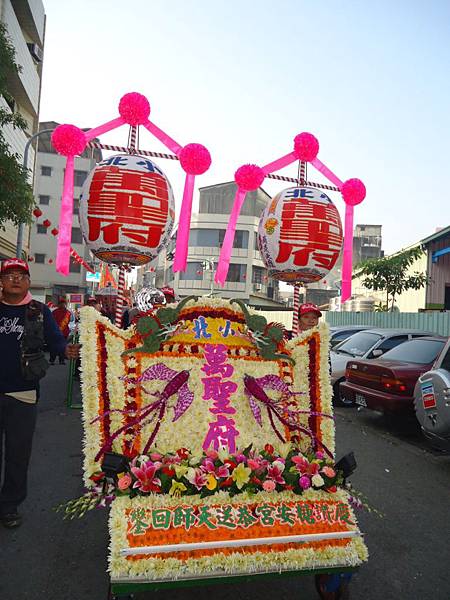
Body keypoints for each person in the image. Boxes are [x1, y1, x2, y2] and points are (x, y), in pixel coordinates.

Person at [0, 258, 79, 529]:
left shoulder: (38, 310)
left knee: (17, 455)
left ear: (28, 281)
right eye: (9, 275)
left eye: (21, 275)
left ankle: (10, 506)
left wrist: (65, 350)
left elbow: (56, 340)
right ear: (1, 281)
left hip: (23, 394)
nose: (15, 280)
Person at [49, 298, 72, 364]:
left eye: (63, 303)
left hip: (64, 333)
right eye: (61, 303)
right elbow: (51, 322)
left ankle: (61, 360)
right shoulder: (54, 312)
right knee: (53, 347)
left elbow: (68, 322)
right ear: (59, 304)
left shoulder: (68, 313)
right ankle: (52, 360)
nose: (62, 304)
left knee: (63, 347)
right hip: (55, 332)